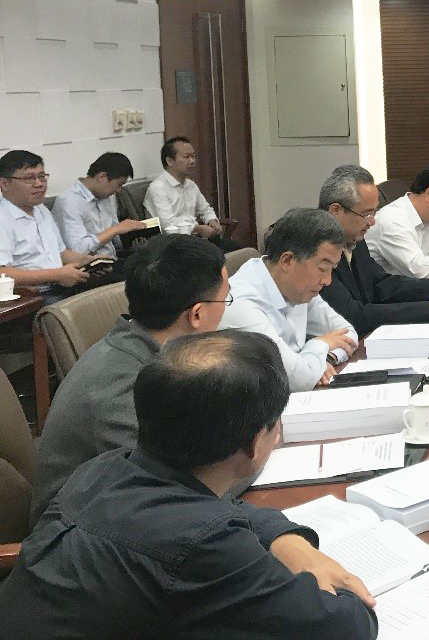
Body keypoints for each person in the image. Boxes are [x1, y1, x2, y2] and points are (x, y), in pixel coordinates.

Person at [0, 329, 377, 639]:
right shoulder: (204, 546)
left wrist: (288, 541)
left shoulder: (102, 471)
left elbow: (225, 509)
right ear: (254, 443)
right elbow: (347, 627)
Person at [29, 234, 228, 523]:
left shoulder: (155, 351)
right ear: (196, 314)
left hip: (126, 511)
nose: (225, 310)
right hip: (76, 534)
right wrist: (250, 455)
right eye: (225, 299)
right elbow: (177, 488)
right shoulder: (121, 384)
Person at [319, 164, 429, 336]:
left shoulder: (353, 235)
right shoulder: (316, 249)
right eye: (366, 214)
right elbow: (353, 315)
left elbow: (381, 283)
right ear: (336, 211)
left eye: (374, 213)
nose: (372, 222)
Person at [219, 208, 358, 391]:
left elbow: (348, 334)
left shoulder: (298, 288)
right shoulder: (242, 304)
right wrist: (320, 344)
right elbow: (297, 381)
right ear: (287, 261)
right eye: (322, 269)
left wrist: (324, 360)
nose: (327, 280)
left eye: (332, 269)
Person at [0, 149, 99, 293]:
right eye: (29, 178)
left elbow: (61, 253)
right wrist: (56, 275)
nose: (39, 184)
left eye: (42, 177)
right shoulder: (3, 219)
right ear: (4, 184)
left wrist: (88, 261)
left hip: (60, 286)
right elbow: (2, 274)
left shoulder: (41, 210)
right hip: (33, 296)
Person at [144, 136, 239, 250]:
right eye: (186, 157)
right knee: (222, 256)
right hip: (173, 246)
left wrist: (212, 220)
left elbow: (205, 209)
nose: (192, 161)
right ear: (169, 161)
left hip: (196, 240)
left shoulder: (191, 185)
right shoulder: (158, 188)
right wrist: (198, 228)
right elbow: (168, 226)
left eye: (193, 156)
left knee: (243, 252)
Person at [52, 151, 149, 259]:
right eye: (119, 184)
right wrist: (116, 229)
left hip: (115, 258)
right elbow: (78, 250)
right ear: (101, 177)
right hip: (88, 264)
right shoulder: (69, 201)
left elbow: (116, 241)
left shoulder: (107, 196)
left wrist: (132, 242)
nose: (119, 190)